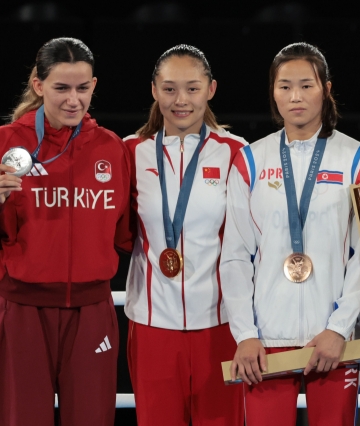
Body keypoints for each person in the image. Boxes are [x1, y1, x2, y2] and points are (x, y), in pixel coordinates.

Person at [0, 37, 132, 426]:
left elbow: (127, 235)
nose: (74, 100)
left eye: (83, 89)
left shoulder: (112, 149)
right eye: (61, 88)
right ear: (38, 86)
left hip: (91, 313)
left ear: (94, 86)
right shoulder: (2, 143)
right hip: (20, 311)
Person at [220, 42, 360, 426]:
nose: (295, 97)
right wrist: (244, 333)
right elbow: (235, 255)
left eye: (306, 85)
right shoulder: (250, 161)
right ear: (273, 92)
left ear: (326, 89)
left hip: (333, 340)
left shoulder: (359, 160)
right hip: (265, 341)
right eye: (285, 86)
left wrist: (339, 329)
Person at [123, 44, 246, 426]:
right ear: (154, 91)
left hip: (221, 327)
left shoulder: (237, 152)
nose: (181, 100)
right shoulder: (130, 152)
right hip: (151, 325)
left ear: (210, 89)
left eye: (192, 88)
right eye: (170, 88)